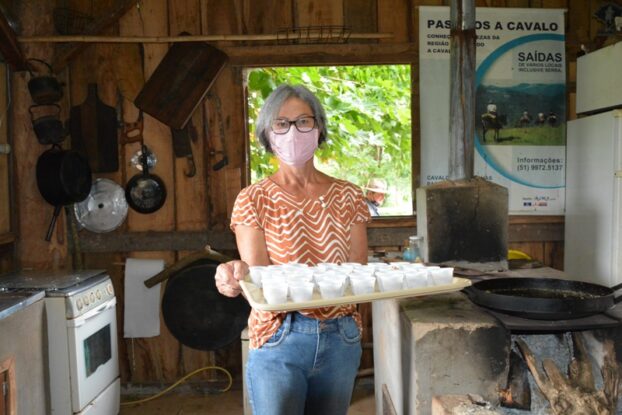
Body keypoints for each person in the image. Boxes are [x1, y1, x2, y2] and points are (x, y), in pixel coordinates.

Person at [214, 84, 371, 415]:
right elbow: (259, 278)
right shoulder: (253, 199)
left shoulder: (349, 195)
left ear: (319, 127)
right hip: (279, 334)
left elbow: (357, 270)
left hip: (340, 335)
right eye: (281, 124)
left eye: (303, 121)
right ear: (268, 134)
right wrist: (234, 274)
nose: (293, 132)